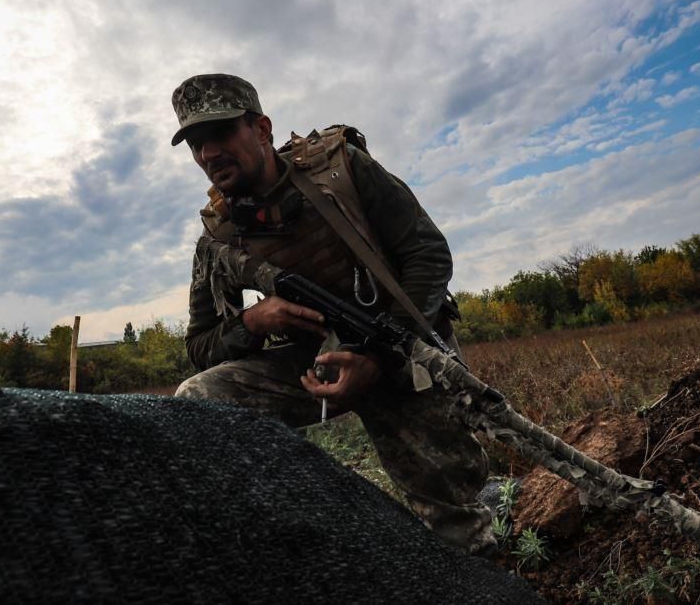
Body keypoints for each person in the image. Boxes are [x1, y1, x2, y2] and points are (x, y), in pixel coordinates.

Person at [170, 73, 496, 556]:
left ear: (261, 129)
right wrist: (253, 323)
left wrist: (373, 355)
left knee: (460, 535)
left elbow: (427, 254)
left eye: (220, 134)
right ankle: (278, 534)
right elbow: (200, 346)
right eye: (196, 142)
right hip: (311, 369)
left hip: (402, 354)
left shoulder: (340, 170)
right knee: (197, 398)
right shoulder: (218, 236)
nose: (207, 153)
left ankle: (484, 523)